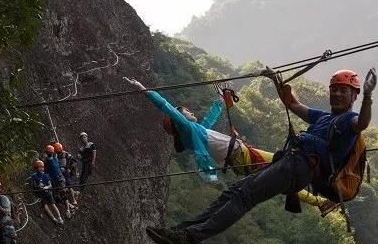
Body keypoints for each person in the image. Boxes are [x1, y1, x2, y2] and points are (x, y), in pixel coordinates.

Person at [145, 68, 377, 244]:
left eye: (343, 91)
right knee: (233, 192)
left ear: (353, 95)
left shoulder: (350, 121)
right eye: (334, 89)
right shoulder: (324, 117)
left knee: (245, 196)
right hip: (289, 161)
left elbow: (363, 123)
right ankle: (182, 231)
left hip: (299, 167)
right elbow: (293, 104)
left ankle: (191, 238)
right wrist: (278, 83)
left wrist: (368, 97)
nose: (336, 94)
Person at [124, 77, 330, 210]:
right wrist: (145, 90)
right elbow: (166, 107)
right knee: (290, 166)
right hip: (242, 157)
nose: (191, 112)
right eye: (186, 112)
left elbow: (210, 120)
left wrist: (219, 101)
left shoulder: (197, 133)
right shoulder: (187, 130)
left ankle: (320, 201)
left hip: (243, 155)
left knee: (286, 174)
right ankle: (322, 195)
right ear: (180, 122)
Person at [43, 144, 74, 219]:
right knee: (58, 195)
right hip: (57, 179)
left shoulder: (49, 161)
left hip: (58, 179)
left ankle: (68, 210)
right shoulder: (55, 158)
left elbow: (46, 166)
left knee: (63, 194)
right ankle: (69, 206)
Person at [31, 159, 64, 224]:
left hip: (47, 193)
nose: (41, 168)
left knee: (53, 205)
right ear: (36, 168)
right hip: (41, 194)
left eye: (42, 167)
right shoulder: (34, 176)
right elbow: (33, 185)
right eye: (39, 167)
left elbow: (50, 185)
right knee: (46, 207)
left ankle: (59, 218)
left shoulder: (46, 175)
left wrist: (46, 187)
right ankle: (54, 219)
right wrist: (38, 188)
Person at [54, 142, 79, 206]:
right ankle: (74, 194)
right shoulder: (56, 155)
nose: (58, 153)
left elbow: (75, 161)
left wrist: (69, 168)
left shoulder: (66, 154)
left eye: (59, 151)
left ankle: (74, 200)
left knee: (68, 185)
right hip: (60, 172)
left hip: (66, 171)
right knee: (63, 185)